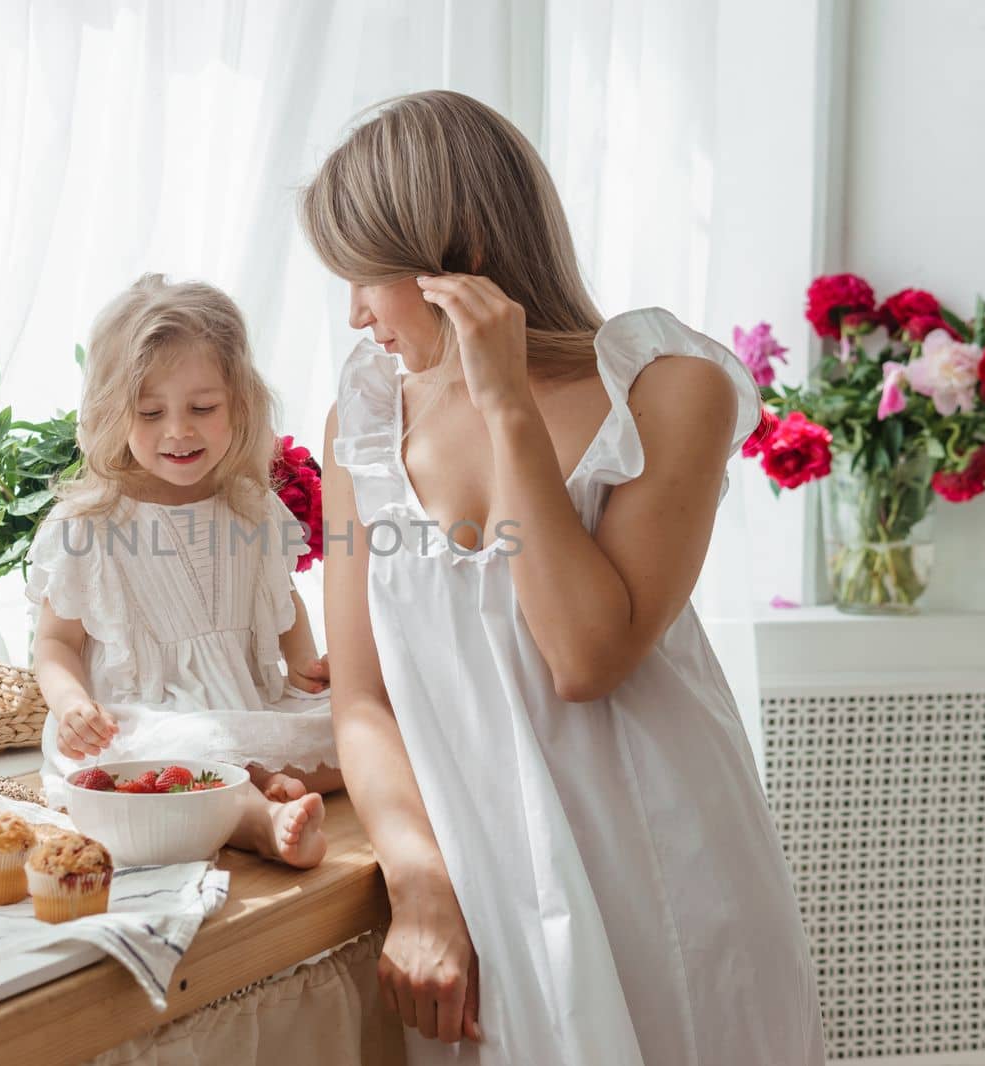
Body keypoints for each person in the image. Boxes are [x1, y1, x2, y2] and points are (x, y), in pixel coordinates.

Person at [304, 90, 825, 1063]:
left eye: (365, 277)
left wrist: (503, 403)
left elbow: (584, 653)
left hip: (669, 891)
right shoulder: (363, 425)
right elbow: (362, 698)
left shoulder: (669, 383)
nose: (353, 314)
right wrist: (420, 887)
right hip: (485, 906)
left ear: (451, 250)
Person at [27, 273, 341, 868]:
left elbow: (281, 598)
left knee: (359, 726)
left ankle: (257, 780)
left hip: (249, 704)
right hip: (145, 722)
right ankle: (259, 819)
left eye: (203, 407)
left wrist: (305, 667)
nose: (179, 430)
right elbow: (55, 643)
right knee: (183, 753)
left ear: (239, 403)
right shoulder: (89, 523)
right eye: (150, 412)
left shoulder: (249, 504)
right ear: (111, 414)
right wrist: (70, 706)